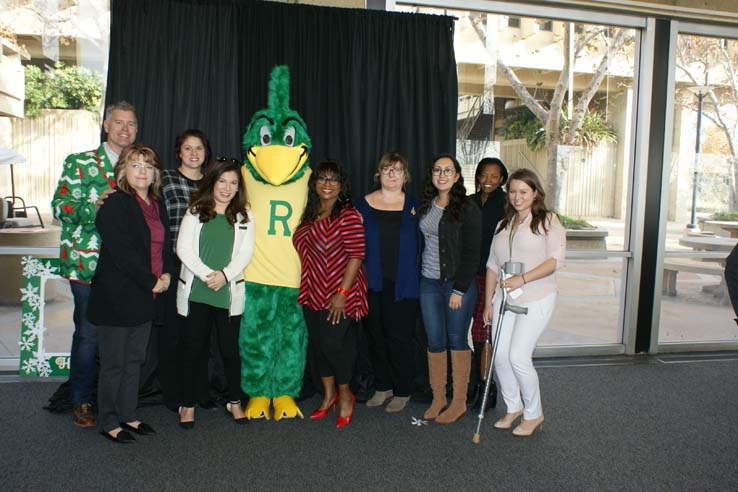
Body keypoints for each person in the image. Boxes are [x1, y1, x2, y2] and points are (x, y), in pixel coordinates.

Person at [51, 100, 138, 428]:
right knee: (88, 333)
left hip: (126, 271)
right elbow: (60, 206)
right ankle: (82, 400)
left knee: (122, 337)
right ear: (106, 125)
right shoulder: (81, 163)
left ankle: (115, 400)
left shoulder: (139, 165)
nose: (124, 129)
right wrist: (94, 208)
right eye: (118, 122)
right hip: (88, 265)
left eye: (130, 124)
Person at [88, 144, 174, 443]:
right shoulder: (115, 203)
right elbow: (123, 254)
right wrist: (152, 280)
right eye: (135, 165)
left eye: (148, 166)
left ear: (155, 174)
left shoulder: (156, 204)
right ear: (123, 170)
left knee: (135, 360)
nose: (142, 171)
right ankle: (109, 421)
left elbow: (163, 246)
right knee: (114, 363)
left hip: (146, 295)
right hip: (117, 296)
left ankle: (128, 414)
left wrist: (165, 275)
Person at [483, 168, 566, 437]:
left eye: (523, 191)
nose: (517, 197)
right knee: (501, 357)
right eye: (513, 191)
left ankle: (534, 413)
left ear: (535, 193)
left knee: (519, 356)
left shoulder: (548, 221)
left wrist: (523, 278)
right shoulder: (503, 224)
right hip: (503, 299)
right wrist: (487, 303)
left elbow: (554, 262)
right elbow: (492, 267)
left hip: (537, 296)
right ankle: (513, 407)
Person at [176, 158, 255, 428]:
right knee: (193, 350)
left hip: (227, 293)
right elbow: (183, 250)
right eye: (222, 181)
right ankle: (186, 404)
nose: (227, 187)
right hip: (198, 292)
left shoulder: (245, 215)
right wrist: (208, 275)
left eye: (233, 183)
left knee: (230, 352)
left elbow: (246, 253)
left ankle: (234, 401)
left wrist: (224, 276)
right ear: (213, 181)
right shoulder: (196, 211)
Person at [293, 160, 368, 428]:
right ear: (315, 184)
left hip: (340, 293)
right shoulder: (310, 213)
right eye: (322, 179)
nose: (327, 184)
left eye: (333, 179)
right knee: (318, 345)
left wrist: (342, 293)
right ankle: (327, 396)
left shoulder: (347, 214)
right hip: (312, 291)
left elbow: (357, 255)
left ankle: (346, 396)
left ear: (341, 185)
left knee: (333, 345)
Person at [418, 154, 481, 424]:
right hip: (429, 284)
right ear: (432, 175)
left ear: (457, 176)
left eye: (448, 170)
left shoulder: (467, 208)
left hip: (458, 286)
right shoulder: (424, 206)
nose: (442, 174)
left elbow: (472, 253)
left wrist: (459, 289)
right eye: (437, 170)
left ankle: (458, 402)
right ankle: (439, 398)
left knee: (456, 340)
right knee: (434, 342)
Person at [356, 152, 420, 413]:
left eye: (397, 170)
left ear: (405, 175)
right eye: (387, 170)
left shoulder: (416, 205)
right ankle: (383, 387)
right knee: (376, 337)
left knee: (400, 338)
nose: (392, 175)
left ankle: (403, 390)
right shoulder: (362, 204)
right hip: (371, 282)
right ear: (378, 174)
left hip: (404, 284)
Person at [159, 130, 212, 411]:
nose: (193, 153)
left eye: (199, 148)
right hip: (175, 264)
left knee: (201, 333)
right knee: (175, 332)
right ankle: (174, 393)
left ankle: (199, 390)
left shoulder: (212, 183)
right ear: (179, 152)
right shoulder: (164, 179)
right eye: (187, 148)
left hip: (206, 268)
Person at [468, 157, 508, 412]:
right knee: (471, 332)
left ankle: (486, 386)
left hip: (491, 275)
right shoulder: (470, 202)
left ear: (502, 179)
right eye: (484, 175)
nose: (489, 180)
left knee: (483, 332)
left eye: (494, 176)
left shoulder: (507, 204)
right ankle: (472, 382)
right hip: (467, 275)